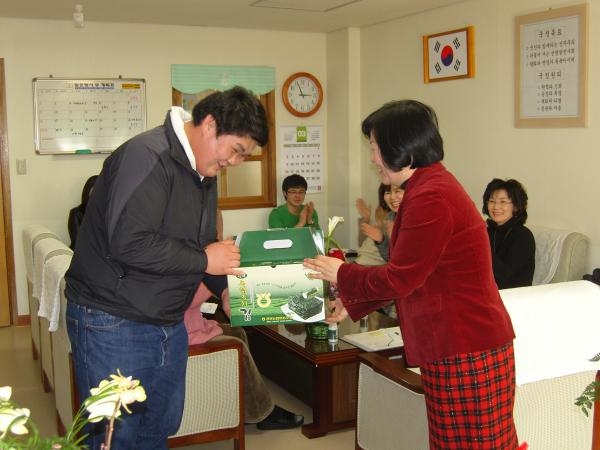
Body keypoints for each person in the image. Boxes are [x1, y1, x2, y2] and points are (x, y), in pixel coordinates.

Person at [304, 100, 518, 449]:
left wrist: (342, 272)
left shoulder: (431, 196)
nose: (373, 158)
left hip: (465, 344)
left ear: (400, 147)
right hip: (453, 344)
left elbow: (400, 278)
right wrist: (352, 301)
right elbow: (414, 272)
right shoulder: (427, 187)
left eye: (374, 147)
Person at [65, 86, 269, 450]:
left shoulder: (203, 171)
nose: (236, 162)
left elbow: (202, 242)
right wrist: (205, 259)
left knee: (158, 429)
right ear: (210, 124)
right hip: (113, 320)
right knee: (114, 437)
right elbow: (128, 242)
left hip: (166, 320)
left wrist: (224, 289)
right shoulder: (146, 156)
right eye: (236, 150)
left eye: (244, 155)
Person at [184, 214, 303, 430]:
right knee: (237, 346)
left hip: (195, 324)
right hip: (183, 333)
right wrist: (219, 276)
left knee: (238, 331)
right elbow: (190, 295)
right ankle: (261, 411)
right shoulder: (187, 260)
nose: (218, 238)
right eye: (215, 234)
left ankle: (242, 403)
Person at [483, 178, 535, 289]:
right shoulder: (487, 232)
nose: (496, 207)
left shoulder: (523, 236)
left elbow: (503, 275)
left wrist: (479, 243)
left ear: (516, 206)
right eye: (492, 201)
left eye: (503, 202)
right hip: (486, 291)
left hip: (513, 295)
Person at [67, 174, 97, 249]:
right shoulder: (76, 214)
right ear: (87, 192)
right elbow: (78, 242)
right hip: (80, 253)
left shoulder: (107, 214)